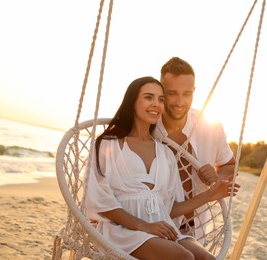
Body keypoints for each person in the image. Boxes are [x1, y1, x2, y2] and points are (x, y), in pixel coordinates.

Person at [85, 76, 238, 259]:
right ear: (132, 101)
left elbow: (169, 209)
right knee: (183, 257)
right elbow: (100, 201)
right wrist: (144, 226)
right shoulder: (109, 144)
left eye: (161, 99)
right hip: (122, 231)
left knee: (208, 259)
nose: (156, 104)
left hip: (161, 228)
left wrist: (209, 195)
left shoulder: (166, 154)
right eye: (149, 97)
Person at [154, 57, 237, 238]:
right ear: (161, 91)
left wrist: (217, 177)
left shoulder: (210, 126)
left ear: (194, 91)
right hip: (154, 227)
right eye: (172, 93)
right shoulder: (147, 126)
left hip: (196, 227)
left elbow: (230, 166)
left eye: (187, 94)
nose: (180, 102)